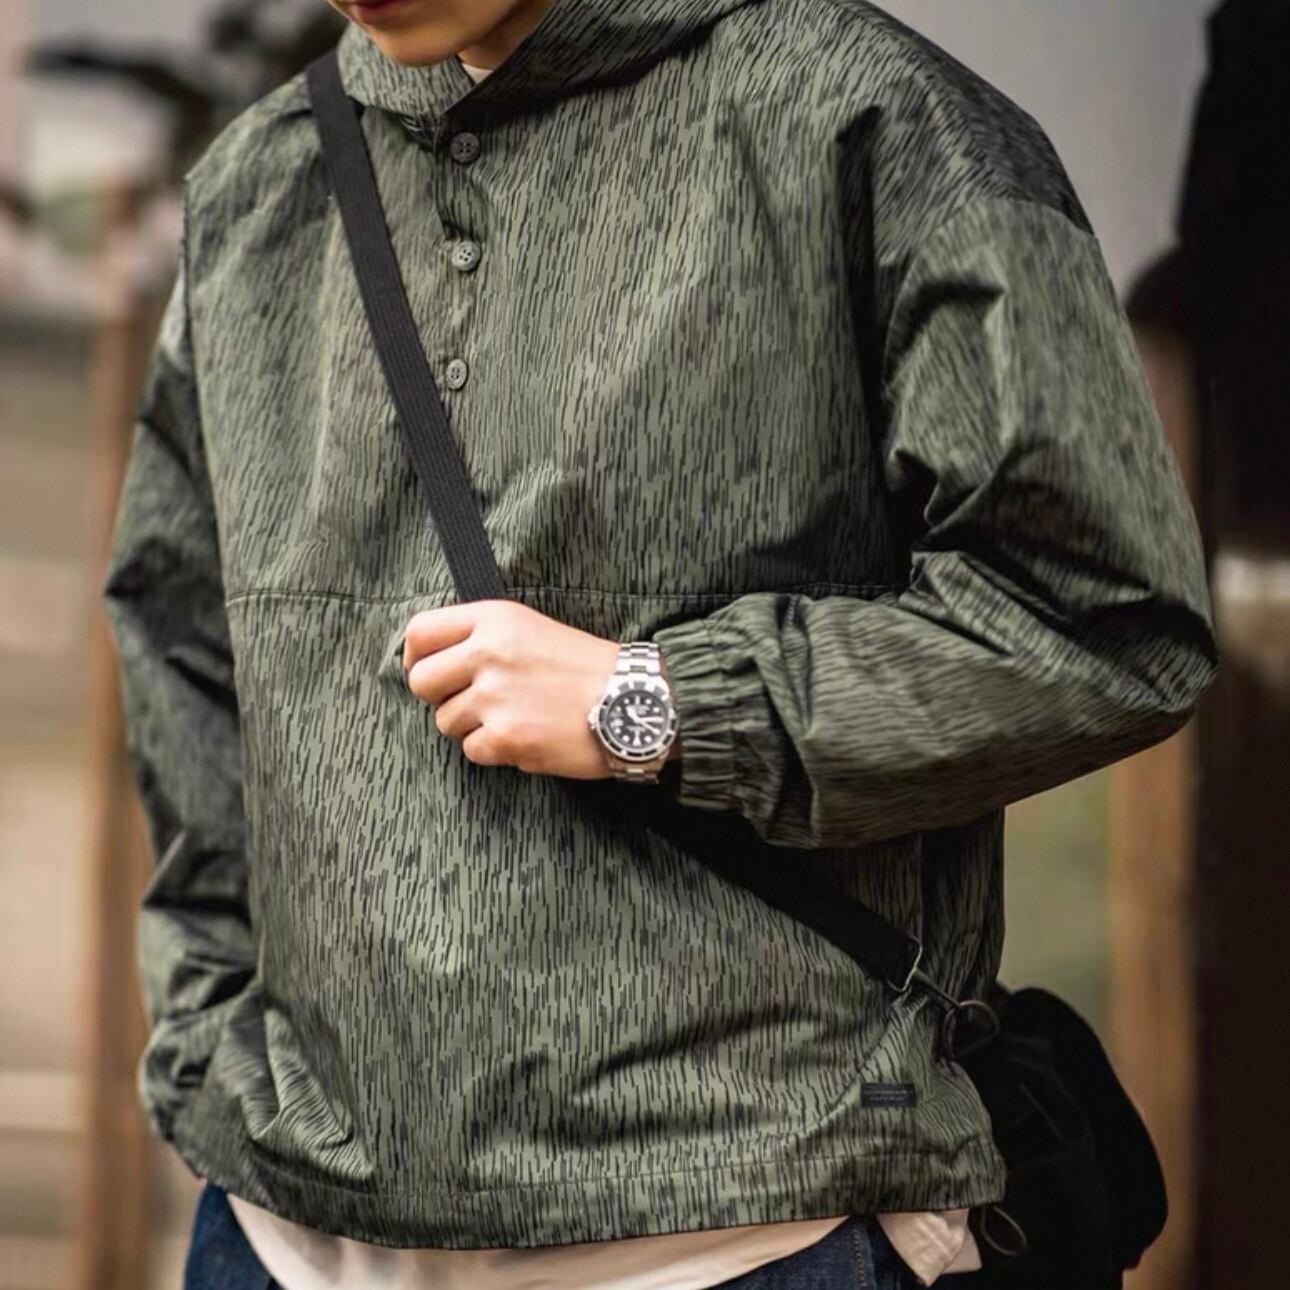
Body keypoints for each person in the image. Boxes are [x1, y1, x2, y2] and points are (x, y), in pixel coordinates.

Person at [99, 0, 1217, 1287]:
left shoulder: (875, 121)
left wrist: (660, 701)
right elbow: (184, 655)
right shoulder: (257, 186)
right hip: (282, 1239)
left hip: (747, 1236)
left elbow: (1103, 617)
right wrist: (210, 1046)